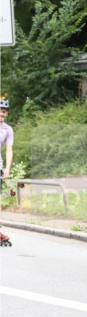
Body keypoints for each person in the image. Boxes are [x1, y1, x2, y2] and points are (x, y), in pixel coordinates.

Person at [0, 96, 13, 246]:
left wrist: (7, 169)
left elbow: (9, 150)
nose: (1, 114)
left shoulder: (8, 130)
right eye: (0, 111)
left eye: (4, 112)